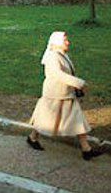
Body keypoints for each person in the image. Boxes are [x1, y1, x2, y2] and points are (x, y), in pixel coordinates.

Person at [26, 31, 102, 160]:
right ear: (57, 42)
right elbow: (57, 74)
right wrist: (79, 83)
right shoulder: (52, 57)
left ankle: (86, 149)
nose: (68, 42)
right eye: (65, 40)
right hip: (55, 94)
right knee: (45, 119)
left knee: (77, 119)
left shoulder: (62, 55)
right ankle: (32, 138)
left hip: (66, 94)